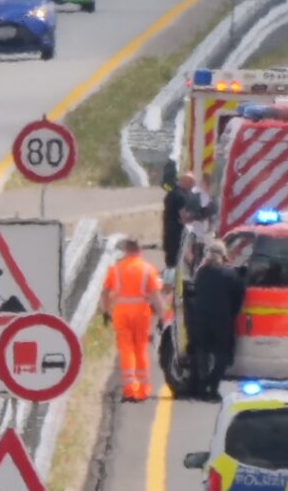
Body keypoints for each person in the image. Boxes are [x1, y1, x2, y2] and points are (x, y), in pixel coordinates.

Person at [105, 236, 172, 403]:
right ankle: (143, 390)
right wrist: (163, 316)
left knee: (126, 349)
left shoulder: (116, 269)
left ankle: (129, 389)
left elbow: (106, 293)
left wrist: (106, 311)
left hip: (121, 312)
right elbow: (156, 296)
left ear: (126, 250)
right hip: (141, 313)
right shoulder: (148, 269)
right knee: (140, 349)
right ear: (140, 250)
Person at [183, 244, 245, 399]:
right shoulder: (230, 275)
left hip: (201, 319)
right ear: (224, 257)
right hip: (221, 320)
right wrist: (232, 314)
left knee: (202, 350)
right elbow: (239, 297)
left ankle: (203, 385)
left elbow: (195, 291)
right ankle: (213, 385)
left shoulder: (202, 272)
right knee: (222, 355)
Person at [160, 162, 207, 269]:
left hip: (169, 234)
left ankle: (168, 283)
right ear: (187, 182)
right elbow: (184, 218)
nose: (192, 188)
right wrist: (198, 216)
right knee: (179, 265)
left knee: (170, 265)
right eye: (192, 184)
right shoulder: (181, 197)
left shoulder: (171, 194)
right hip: (178, 237)